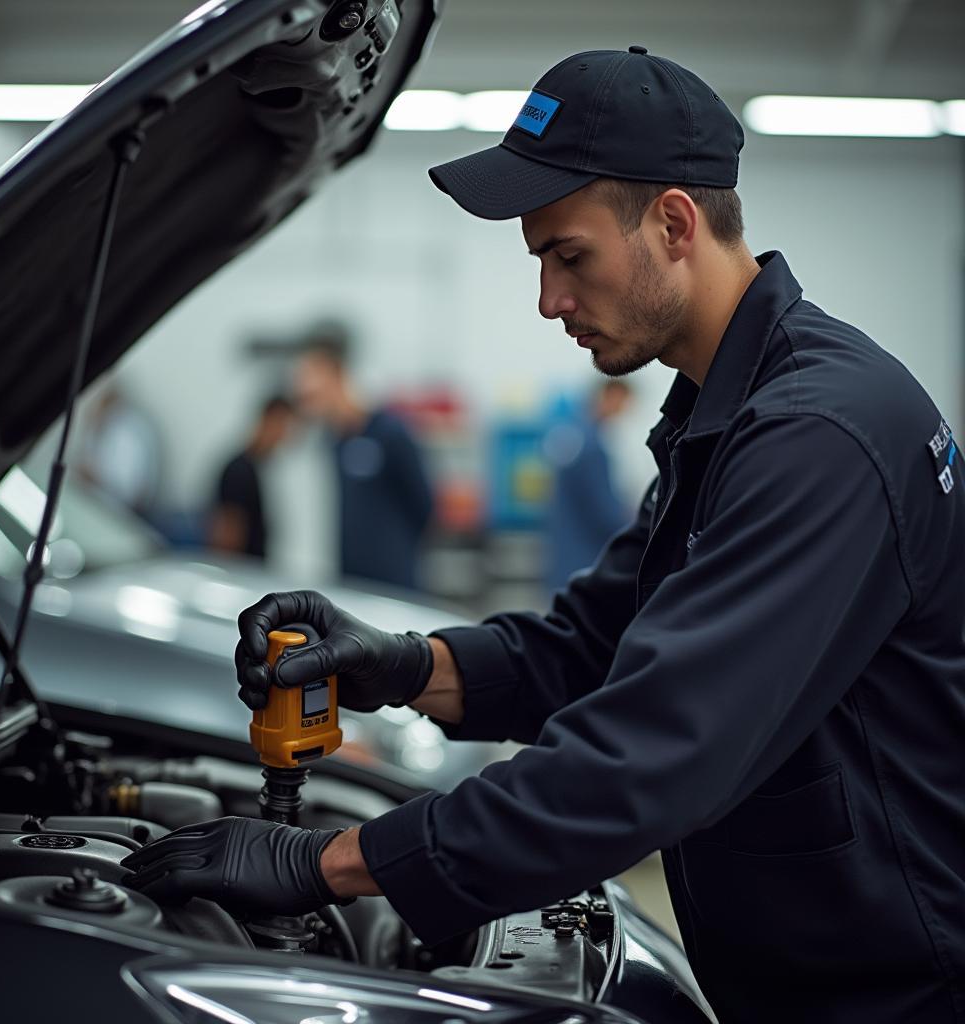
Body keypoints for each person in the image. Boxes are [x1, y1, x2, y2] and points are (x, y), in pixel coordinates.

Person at [122, 48, 965, 1024]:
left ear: (674, 224)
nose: (549, 300)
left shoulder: (818, 434)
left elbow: (651, 754)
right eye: (540, 262)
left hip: (899, 993)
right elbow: (592, 646)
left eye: (570, 256)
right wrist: (401, 665)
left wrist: (334, 861)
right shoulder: (726, 416)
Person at [293, 326, 433, 591]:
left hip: (394, 584)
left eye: (309, 376)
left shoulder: (388, 431)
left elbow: (424, 505)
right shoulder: (330, 442)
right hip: (349, 583)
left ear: (336, 374)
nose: (301, 388)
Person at [545, 379, 635, 591]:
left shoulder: (573, 434)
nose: (622, 412)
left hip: (566, 550)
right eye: (622, 403)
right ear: (609, 396)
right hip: (586, 555)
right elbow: (605, 511)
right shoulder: (593, 447)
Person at [208, 395, 294, 561]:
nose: (287, 437)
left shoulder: (257, 468)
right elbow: (227, 537)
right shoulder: (239, 471)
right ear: (271, 421)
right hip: (241, 574)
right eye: (286, 427)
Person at [77, 382, 161, 516]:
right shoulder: (100, 426)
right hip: (89, 503)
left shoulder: (129, 432)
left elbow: (132, 492)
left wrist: (95, 477)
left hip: (113, 513)